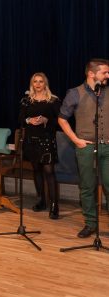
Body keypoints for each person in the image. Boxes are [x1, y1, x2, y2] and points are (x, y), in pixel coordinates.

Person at [59, 59, 109, 238]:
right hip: (86, 146)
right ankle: (90, 223)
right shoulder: (75, 93)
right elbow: (62, 119)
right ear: (91, 73)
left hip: (107, 147)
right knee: (87, 186)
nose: (108, 75)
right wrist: (75, 140)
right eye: (104, 72)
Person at [19, 73, 61, 219]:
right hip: (31, 140)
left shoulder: (53, 100)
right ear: (32, 84)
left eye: (41, 81)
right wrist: (28, 120)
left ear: (45, 83)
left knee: (49, 171)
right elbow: (20, 119)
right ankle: (42, 200)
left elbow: (60, 121)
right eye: (35, 81)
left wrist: (46, 120)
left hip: (47, 139)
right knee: (36, 170)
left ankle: (54, 205)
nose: (37, 84)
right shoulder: (26, 100)